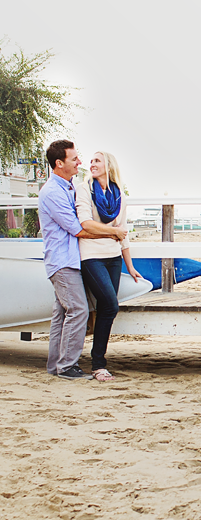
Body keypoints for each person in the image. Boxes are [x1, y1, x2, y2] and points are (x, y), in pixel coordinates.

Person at [38, 140, 127, 380]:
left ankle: (56, 365)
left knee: (61, 314)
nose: (80, 162)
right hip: (62, 261)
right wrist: (112, 232)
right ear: (59, 163)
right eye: (74, 159)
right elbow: (77, 229)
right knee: (78, 310)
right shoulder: (52, 192)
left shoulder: (70, 187)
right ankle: (67, 366)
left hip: (71, 260)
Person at [76, 151, 142, 382]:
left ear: (108, 165)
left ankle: (98, 365)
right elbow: (86, 223)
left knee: (106, 309)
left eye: (97, 161)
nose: (92, 164)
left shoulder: (119, 195)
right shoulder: (85, 189)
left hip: (113, 257)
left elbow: (123, 233)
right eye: (91, 161)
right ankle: (98, 362)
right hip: (90, 255)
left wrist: (130, 265)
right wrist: (112, 231)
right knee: (111, 305)